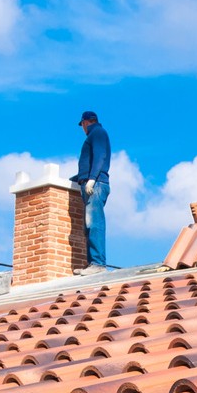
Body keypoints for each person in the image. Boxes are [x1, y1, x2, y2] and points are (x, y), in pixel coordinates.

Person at [71, 111, 110, 275]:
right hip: (91, 182)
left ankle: (98, 264)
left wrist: (92, 179)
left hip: (96, 184)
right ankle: (92, 263)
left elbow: (100, 156)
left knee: (95, 222)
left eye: (82, 125)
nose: (83, 128)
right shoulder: (95, 134)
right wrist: (79, 178)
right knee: (89, 225)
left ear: (86, 122)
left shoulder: (98, 133)